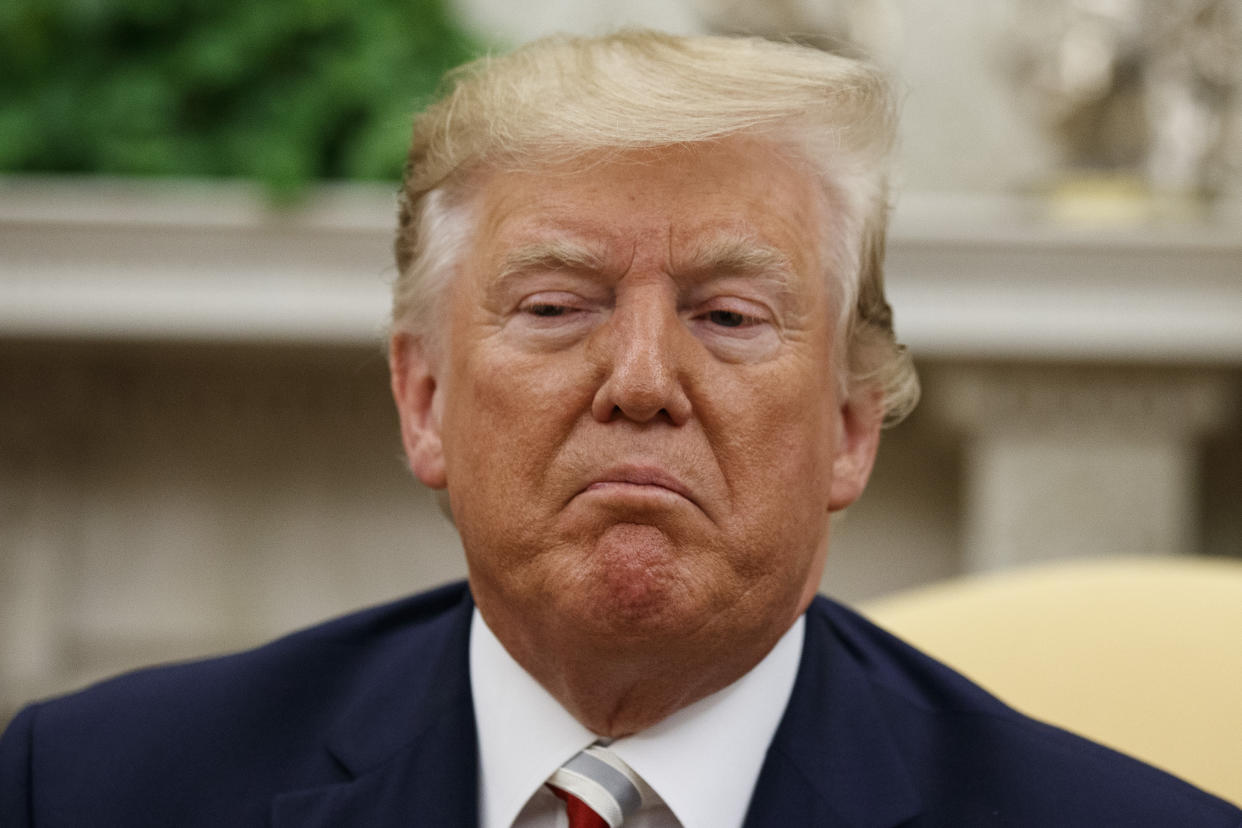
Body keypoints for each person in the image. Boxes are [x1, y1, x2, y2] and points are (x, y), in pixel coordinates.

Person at [1, 30, 1239, 828]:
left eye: (730, 314)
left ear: (852, 429)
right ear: (424, 399)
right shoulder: (96, 789)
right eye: (555, 307)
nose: (641, 380)